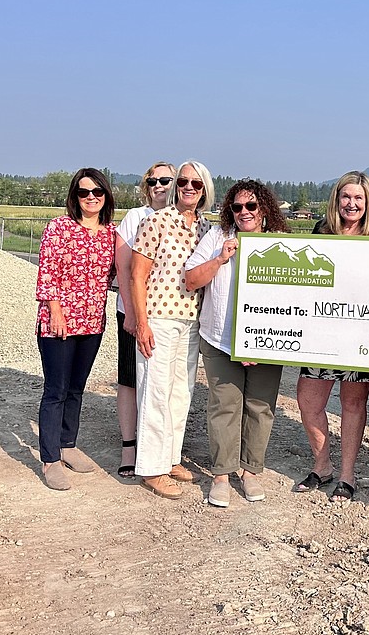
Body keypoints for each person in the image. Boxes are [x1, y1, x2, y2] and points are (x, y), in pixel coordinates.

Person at [185, 180, 290, 507]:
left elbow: (293, 297)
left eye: (252, 206)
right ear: (230, 209)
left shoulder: (282, 243)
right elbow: (190, 280)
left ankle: (250, 470)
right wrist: (219, 259)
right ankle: (221, 474)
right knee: (224, 406)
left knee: (260, 407)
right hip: (219, 339)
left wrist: (260, 343)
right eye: (237, 207)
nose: (244, 212)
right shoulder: (216, 238)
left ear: (264, 210)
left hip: (267, 343)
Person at [294, 170, 369, 502]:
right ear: (337, 200)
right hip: (323, 333)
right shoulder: (322, 231)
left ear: (368, 202)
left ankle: (347, 475)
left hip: (360, 335)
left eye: (358, 198)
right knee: (308, 400)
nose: (351, 203)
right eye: (346, 197)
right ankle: (322, 465)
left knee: (352, 403)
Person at [128, 161, 214, 499]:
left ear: (205, 189)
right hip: (160, 318)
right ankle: (151, 467)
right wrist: (141, 322)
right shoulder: (156, 221)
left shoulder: (207, 229)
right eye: (183, 182)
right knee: (155, 392)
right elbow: (137, 276)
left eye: (195, 183)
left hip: (192, 320)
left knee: (181, 393)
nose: (188, 188)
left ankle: (171, 457)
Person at [34, 168, 117, 491]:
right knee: (56, 389)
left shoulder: (111, 233)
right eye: (85, 193)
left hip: (93, 322)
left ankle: (68, 444)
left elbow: (119, 275)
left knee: (77, 388)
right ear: (75, 197)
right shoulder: (59, 228)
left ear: (106, 196)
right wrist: (54, 311)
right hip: (59, 323)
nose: (91, 198)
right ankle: (50, 460)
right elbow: (47, 273)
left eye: (98, 192)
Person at [113, 163, 175, 478]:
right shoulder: (136, 218)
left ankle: (164, 447)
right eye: (153, 180)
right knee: (129, 379)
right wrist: (133, 314)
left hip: (169, 317)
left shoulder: (184, 220)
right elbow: (124, 268)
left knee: (164, 383)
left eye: (167, 180)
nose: (159, 185)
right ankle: (129, 445)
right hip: (135, 312)